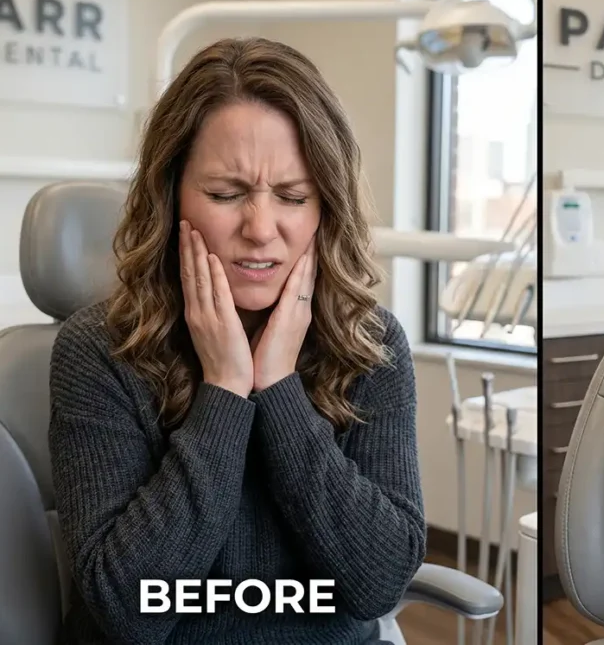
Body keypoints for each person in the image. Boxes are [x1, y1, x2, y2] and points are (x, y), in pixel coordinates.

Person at [48, 37, 425, 644]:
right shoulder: (98, 349)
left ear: (325, 206)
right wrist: (224, 390)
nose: (260, 229)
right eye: (225, 195)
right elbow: (127, 611)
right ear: (171, 197)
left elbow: (378, 586)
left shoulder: (369, 343)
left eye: (293, 197)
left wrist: (277, 391)